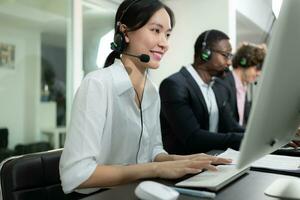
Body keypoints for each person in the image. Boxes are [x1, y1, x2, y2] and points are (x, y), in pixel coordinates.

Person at [59, 1, 231, 194]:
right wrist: (156, 169)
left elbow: (153, 151)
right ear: (124, 32)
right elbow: (77, 174)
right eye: (156, 30)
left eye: (167, 34)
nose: (165, 43)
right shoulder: (97, 85)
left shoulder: (151, 90)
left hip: (138, 192)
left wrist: (185, 160)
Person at [159, 29, 244, 155]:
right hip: (185, 169)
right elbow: (193, 137)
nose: (229, 62)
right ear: (205, 53)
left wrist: (256, 136)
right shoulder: (174, 85)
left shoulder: (218, 87)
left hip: (214, 163)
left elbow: (231, 126)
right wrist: (240, 139)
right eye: (226, 55)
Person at [221, 43, 266, 126]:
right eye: (257, 68)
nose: (259, 73)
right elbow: (228, 125)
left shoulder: (243, 87)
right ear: (243, 63)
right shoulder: (223, 84)